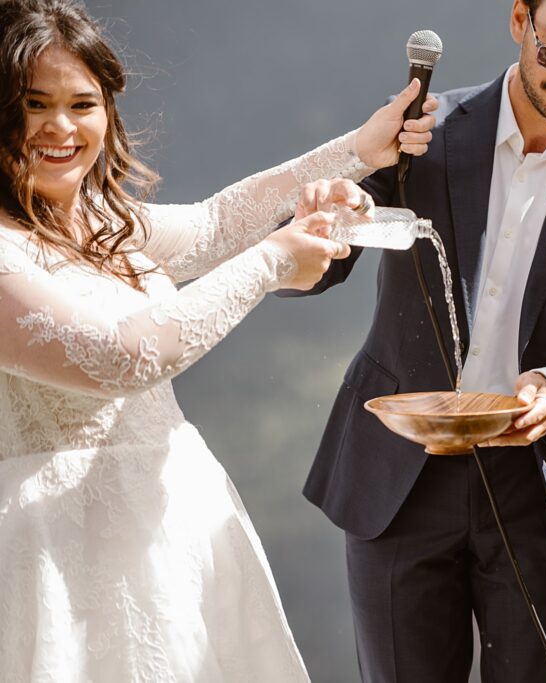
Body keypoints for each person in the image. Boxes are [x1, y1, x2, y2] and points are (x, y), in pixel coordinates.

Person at [0, 1, 436, 680]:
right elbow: (121, 357)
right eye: (34, 104)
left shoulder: (102, 219)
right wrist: (274, 261)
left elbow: (214, 225)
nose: (61, 126)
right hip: (59, 558)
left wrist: (359, 150)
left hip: (178, 531)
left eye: (82, 104)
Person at [284, 0, 546, 679]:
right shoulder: (420, 133)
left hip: (538, 484)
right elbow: (309, 271)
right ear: (520, 19)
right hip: (398, 470)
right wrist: (327, 208)